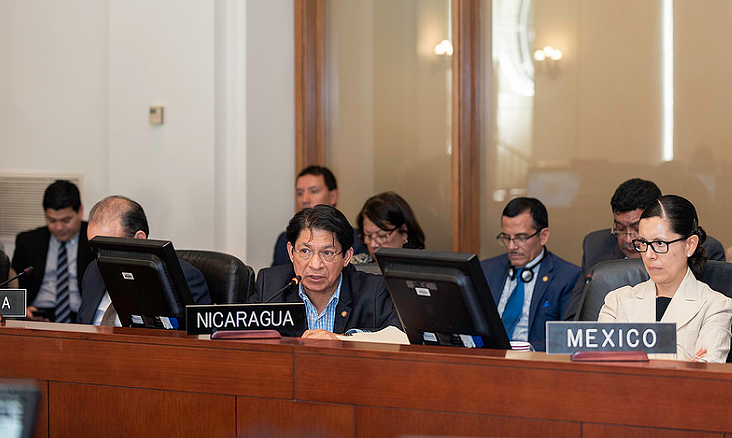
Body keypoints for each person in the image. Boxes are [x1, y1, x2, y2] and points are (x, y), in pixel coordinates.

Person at [563, 178, 726, 320]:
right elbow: (576, 320)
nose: (628, 239)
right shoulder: (596, 247)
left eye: (636, 228)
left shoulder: (705, 249)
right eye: (620, 228)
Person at [598, 195, 732, 363]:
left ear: (690, 245)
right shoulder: (617, 301)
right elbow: (600, 368)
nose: (649, 255)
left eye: (660, 244)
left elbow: (705, 375)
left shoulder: (715, 306)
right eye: (643, 243)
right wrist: (684, 362)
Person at [252, 204, 401, 337]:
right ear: (291, 252)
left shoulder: (374, 291)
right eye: (305, 251)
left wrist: (341, 339)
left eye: (327, 253)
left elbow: (399, 336)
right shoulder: (271, 287)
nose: (315, 265)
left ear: (346, 256)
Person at [77, 196, 211, 325]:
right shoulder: (93, 270)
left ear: (139, 239)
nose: (100, 256)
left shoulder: (183, 277)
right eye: (95, 248)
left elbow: (193, 337)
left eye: (108, 248)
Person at [480, 197, 580, 351]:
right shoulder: (487, 270)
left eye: (521, 238)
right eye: (506, 237)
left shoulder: (568, 277)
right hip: (488, 357)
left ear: (543, 236)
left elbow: (569, 338)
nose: (512, 246)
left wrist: (525, 349)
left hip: (533, 360)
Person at [11, 180, 94, 322]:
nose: (59, 227)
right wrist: (21, 308)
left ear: (80, 211)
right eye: (52, 220)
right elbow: (14, 286)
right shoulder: (28, 242)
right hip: (37, 315)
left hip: (81, 317)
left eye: (66, 220)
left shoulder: (93, 240)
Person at [271, 165, 366, 266]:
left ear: (333, 196)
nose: (305, 200)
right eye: (300, 193)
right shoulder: (285, 240)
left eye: (314, 191)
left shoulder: (358, 240)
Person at [352, 191, 425, 265]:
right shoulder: (353, 266)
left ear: (404, 232)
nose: (373, 244)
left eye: (382, 235)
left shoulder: (421, 267)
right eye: (368, 236)